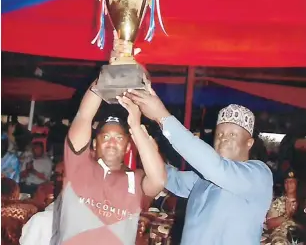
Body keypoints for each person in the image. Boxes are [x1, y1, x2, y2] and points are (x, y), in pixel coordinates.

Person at [124, 90, 273, 245]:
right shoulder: (202, 180)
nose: (224, 139)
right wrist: (141, 137)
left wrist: (162, 116)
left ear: (249, 143)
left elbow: (216, 168)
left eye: (232, 135)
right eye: (220, 134)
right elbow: (166, 176)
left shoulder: (258, 175)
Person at [56, 80, 166, 245]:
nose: (112, 143)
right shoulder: (78, 165)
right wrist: (106, 76)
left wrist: (135, 126)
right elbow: (84, 115)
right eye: (105, 137)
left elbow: (159, 180)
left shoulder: (135, 179)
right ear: (94, 143)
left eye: (119, 138)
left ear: (128, 146)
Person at [265, 170, 298, 245]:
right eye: (286, 182)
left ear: (296, 183)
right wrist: (286, 215)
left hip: (299, 234)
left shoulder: (302, 201)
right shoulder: (277, 202)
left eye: (292, 181)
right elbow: (269, 224)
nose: (289, 184)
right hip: (281, 235)